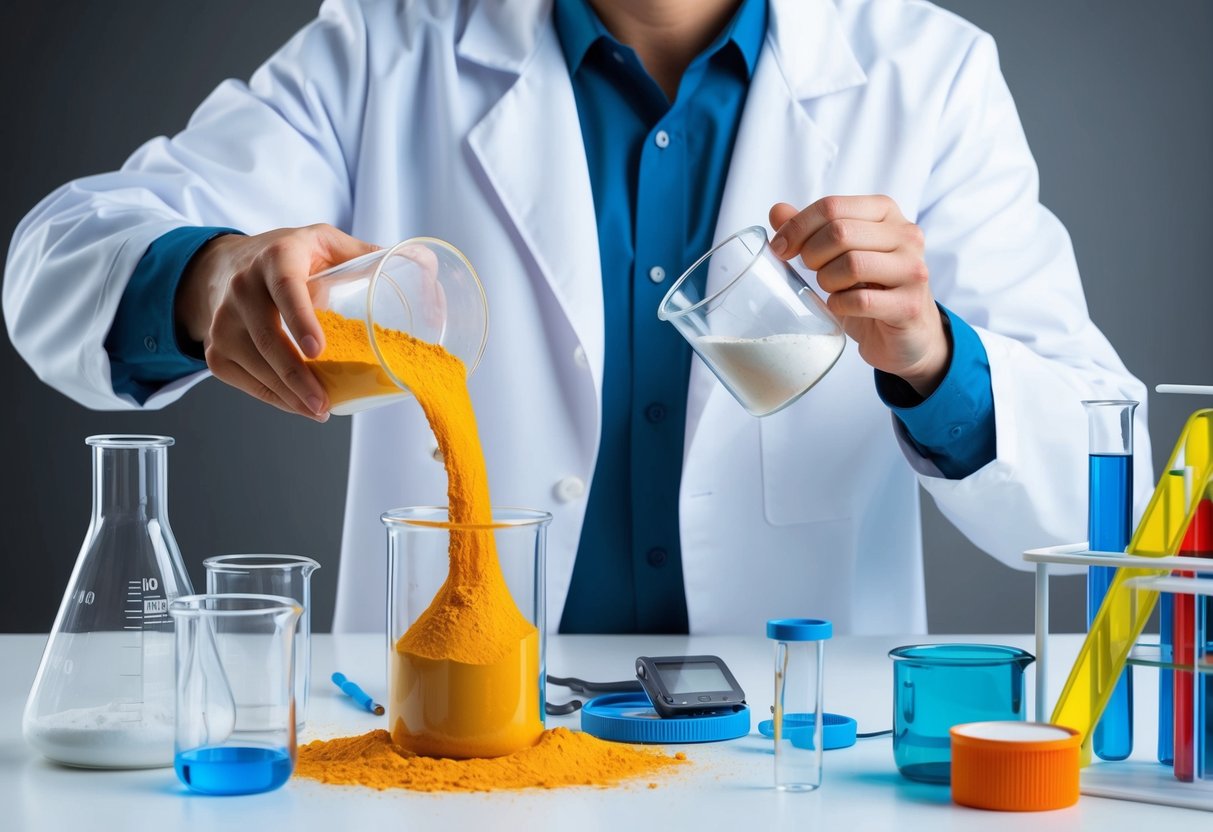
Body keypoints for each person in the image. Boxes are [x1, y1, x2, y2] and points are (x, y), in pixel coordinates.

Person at [4, 0, 1149, 636]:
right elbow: (54, 260)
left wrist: (931, 356)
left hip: (795, 753)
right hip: (452, 743)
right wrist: (209, 280)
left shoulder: (926, 74)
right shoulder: (389, 46)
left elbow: (1108, 490)